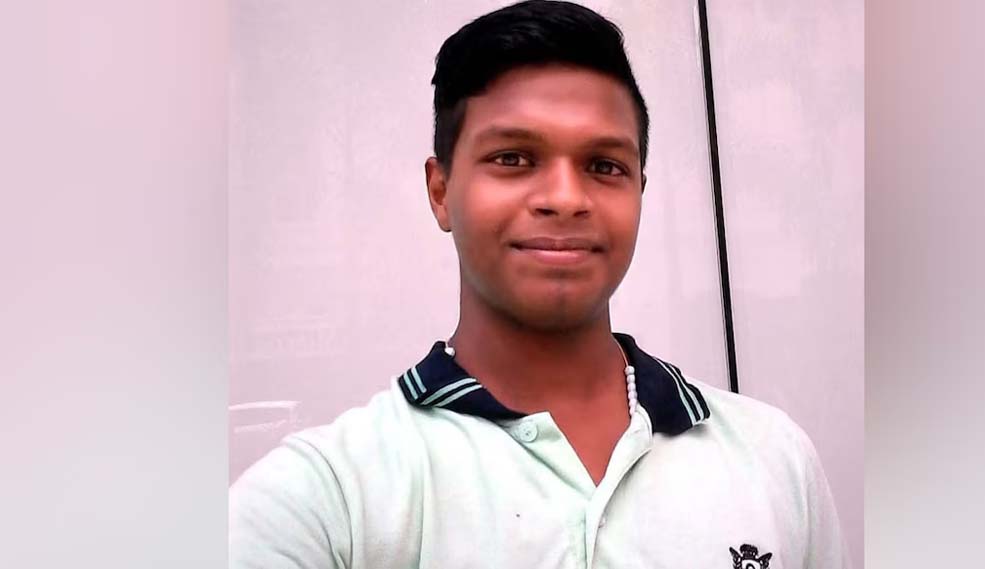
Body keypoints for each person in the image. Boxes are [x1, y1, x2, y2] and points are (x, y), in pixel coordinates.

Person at [229, 1, 848, 567]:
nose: (565, 197)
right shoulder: (326, 501)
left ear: (639, 191)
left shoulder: (774, 461)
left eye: (604, 165)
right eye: (513, 159)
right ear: (441, 191)